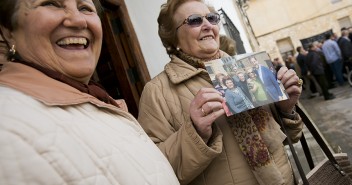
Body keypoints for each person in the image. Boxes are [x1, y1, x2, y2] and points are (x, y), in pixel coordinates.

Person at [0, 0, 179, 184]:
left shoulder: (98, 103)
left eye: (85, 8)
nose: (78, 20)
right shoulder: (8, 128)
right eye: (51, 3)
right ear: (9, 31)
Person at [138, 0, 303, 184]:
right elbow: (157, 171)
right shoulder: (156, 92)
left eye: (211, 18)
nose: (208, 25)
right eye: (194, 20)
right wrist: (196, 132)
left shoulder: (247, 69)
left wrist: (285, 109)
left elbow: (289, 138)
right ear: (173, 37)